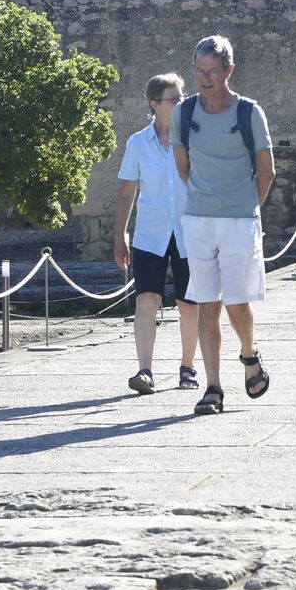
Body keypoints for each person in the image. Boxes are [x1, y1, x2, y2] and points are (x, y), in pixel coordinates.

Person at [173, 34, 275, 417]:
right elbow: (182, 166)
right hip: (198, 218)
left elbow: (266, 170)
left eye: (212, 71)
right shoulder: (185, 113)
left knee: (236, 301)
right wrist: (205, 198)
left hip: (239, 218)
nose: (204, 78)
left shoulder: (249, 112)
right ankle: (213, 386)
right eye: (199, 71)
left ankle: (249, 353)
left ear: (228, 70)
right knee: (205, 305)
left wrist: (248, 206)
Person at [114, 73, 201, 394]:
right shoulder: (137, 143)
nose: (181, 102)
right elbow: (126, 193)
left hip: (189, 231)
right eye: (174, 98)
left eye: (182, 96)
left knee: (188, 304)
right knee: (147, 300)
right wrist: (120, 235)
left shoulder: (193, 138)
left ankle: (188, 368)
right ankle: (145, 371)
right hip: (149, 235)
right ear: (155, 104)